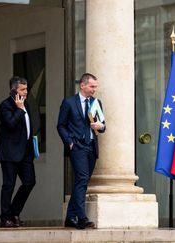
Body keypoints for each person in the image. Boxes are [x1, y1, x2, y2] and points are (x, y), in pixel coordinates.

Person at [57, 73, 106, 229]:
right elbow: (61, 125)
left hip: (91, 146)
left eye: (95, 86)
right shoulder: (69, 102)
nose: (94, 89)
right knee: (82, 178)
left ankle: (70, 217)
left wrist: (101, 126)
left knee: (82, 181)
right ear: (82, 85)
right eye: (92, 86)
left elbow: (103, 125)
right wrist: (69, 142)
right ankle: (82, 217)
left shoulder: (96, 103)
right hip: (77, 146)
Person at [0, 76, 36, 228]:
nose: (26, 92)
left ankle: (14, 212)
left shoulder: (27, 104)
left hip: (25, 152)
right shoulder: (5, 105)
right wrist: (19, 110)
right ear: (13, 90)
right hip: (9, 152)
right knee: (8, 185)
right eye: (22, 90)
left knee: (30, 182)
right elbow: (10, 124)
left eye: (26, 89)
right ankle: (5, 218)